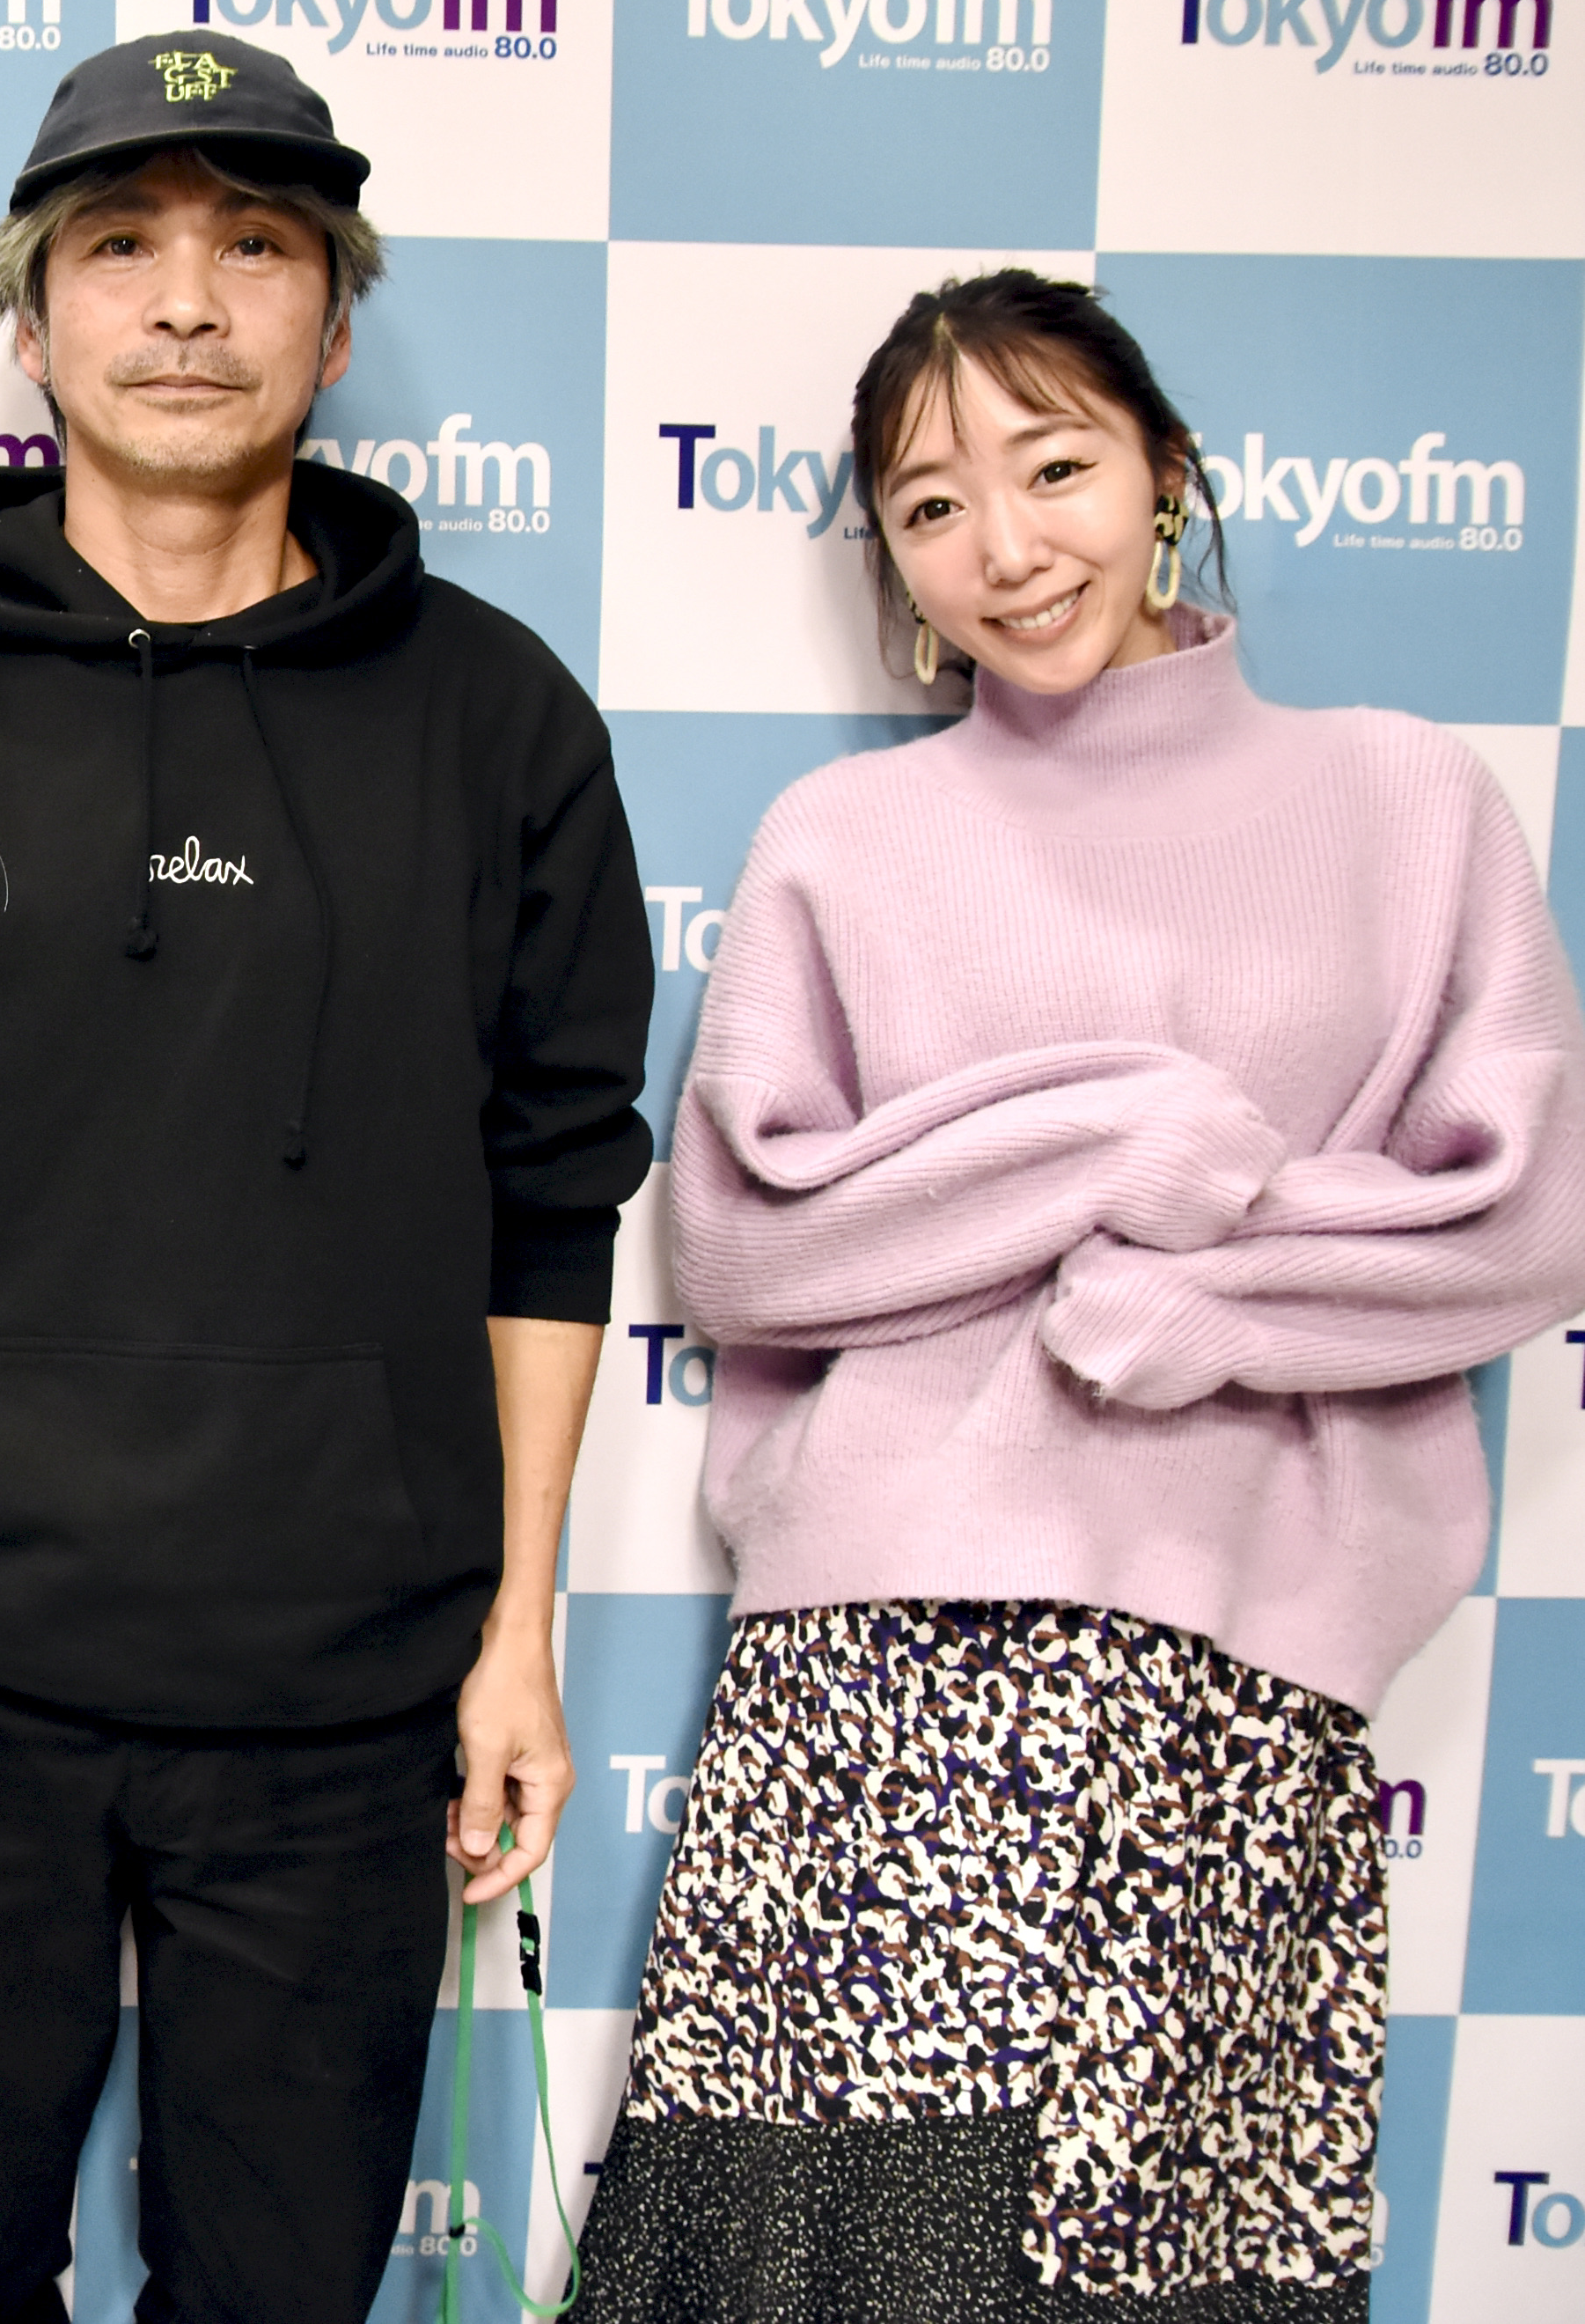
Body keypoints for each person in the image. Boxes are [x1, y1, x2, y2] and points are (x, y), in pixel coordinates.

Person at [0, 32, 656, 2323]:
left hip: (347, 1686)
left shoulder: (498, 719)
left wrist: (518, 1627)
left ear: (335, 315)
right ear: (32, 317)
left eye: (256, 245)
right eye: (121, 246)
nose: (188, 300)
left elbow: (549, 1198)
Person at [569, 270, 1585, 2320]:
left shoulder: (1402, 798)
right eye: (933, 507)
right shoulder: (848, 837)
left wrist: (1214, 1307)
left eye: (1055, 468)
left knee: (1173, 2275)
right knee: (834, 2275)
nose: (1008, 547)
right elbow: (751, 1244)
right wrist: (1116, 1140)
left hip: (1229, 1677)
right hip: (886, 1675)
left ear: (1166, 474)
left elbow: (1517, 1218)